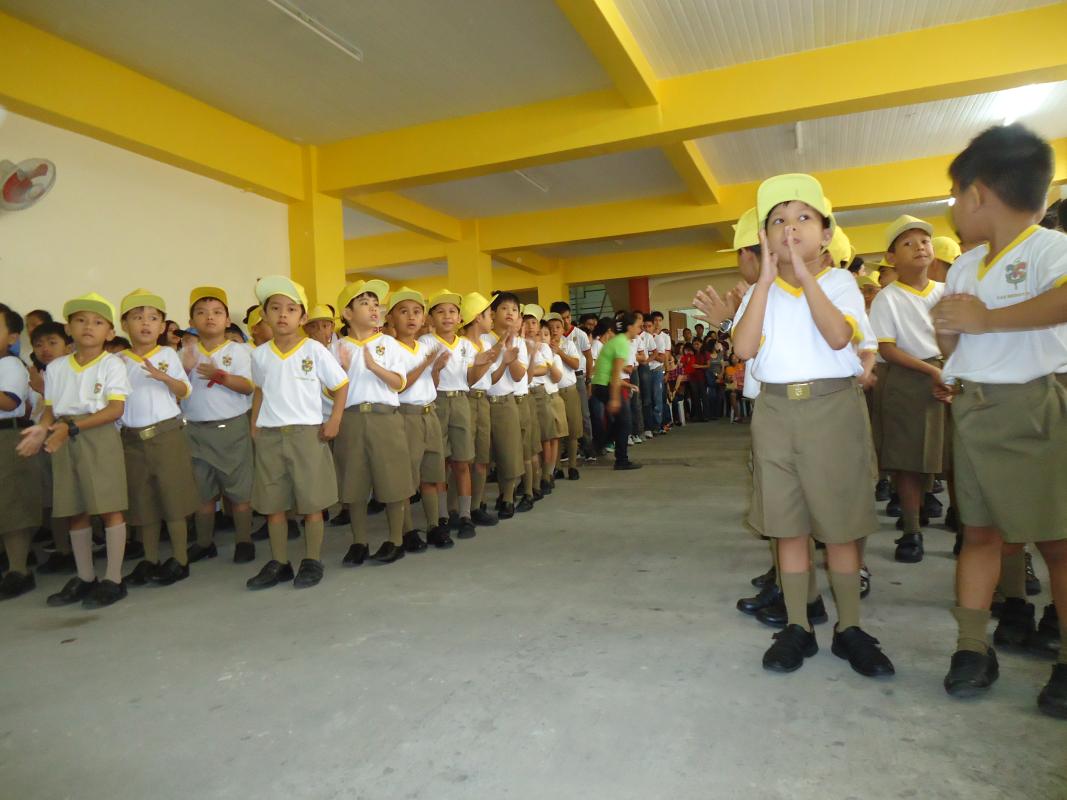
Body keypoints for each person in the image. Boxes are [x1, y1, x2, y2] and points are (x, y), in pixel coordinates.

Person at [931, 124, 1067, 718]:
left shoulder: (1049, 249)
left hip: (1032, 408)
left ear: (978, 193)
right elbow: (957, 344)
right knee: (981, 533)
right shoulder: (964, 268)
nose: (954, 208)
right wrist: (948, 334)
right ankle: (971, 646)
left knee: (1057, 540)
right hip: (974, 408)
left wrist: (987, 320)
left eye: (955, 196)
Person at [733, 173, 893, 677]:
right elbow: (743, 348)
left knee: (840, 528)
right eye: (778, 220)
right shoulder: (760, 292)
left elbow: (837, 336)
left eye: (804, 217)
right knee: (788, 527)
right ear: (764, 237)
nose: (790, 227)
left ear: (826, 233)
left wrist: (804, 276)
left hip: (831, 408)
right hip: (775, 412)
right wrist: (764, 282)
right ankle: (798, 625)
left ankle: (850, 628)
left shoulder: (839, 283)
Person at [18, 293, 133, 609]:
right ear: (69, 328)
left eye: (97, 322)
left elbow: (115, 410)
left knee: (109, 506)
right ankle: (85, 577)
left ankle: (114, 579)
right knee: (75, 508)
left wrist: (72, 428)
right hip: (63, 435)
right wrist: (42, 429)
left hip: (98, 436)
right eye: (80, 320)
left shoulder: (112, 364)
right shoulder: (56, 368)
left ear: (109, 332)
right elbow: (50, 411)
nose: (88, 327)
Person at [246, 276, 348, 590]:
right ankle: (279, 562)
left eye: (291, 309)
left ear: (302, 318)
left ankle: (312, 559)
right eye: (275, 308)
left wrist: (335, 420)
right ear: (265, 315)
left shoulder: (314, 350)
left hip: (307, 434)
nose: (283, 314)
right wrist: (254, 425)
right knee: (273, 503)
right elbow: (260, 390)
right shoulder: (260, 354)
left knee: (312, 502)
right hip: (270, 435)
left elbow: (341, 385)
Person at [870, 215, 945, 564]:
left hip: (948, 376)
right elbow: (887, 349)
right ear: (891, 257)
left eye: (924, 241)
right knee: (908, 459)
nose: (919, 247)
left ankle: (966, 525)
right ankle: (912, 530)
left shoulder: (944, 293)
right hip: (907, 378)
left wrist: (949, 372)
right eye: (908, 243)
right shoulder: (888, 298)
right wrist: (932, 371)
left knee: (953, 457)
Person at [116, 289, 199, 587]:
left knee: (173, 498)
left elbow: (185, 390)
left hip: (166, 435)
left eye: (153, 318)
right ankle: (149, 560)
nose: (145, 323)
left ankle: (180, 559)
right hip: (132, 439)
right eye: (137, 317)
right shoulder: (117, 361)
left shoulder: (166, 355)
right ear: (124, 324)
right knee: (143, 502)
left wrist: (165, 378)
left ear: (162, 326)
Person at [333, 279, 413, 565]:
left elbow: (399, 383)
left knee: (393, 480)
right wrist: (341, 369)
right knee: (353, 483)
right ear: (347, 313)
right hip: (351, 419)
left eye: (376, 304)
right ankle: (359, 542)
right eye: (364, 303)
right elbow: (328, 392)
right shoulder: (337, 347)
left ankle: (396, 539)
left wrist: (374, 367)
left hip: (384, 418)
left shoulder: (387, 343)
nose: (373, 309)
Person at [181, 287, 257, 564]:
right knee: (202, 492)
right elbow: (175, 392)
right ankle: (204, 543)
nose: (209, 317)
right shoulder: (185, 353)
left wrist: (219, 376)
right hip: (195, 430)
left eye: (216, 312)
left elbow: (248, 386)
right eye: (201, 313)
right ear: (192, 322)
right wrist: (186, 369)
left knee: (239, 491)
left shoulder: (239, 351)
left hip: (232, 429)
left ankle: (244, 540)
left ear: (227, 320)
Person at [389, 287, 452, 551]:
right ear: (391, 318)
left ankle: (434, 524)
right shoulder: (390, 348)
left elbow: (431, 384)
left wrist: (435, 369)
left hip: (429, 412)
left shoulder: (424, 347)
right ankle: (407, 531)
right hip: (407, 416)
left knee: (431, 473)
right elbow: (400, 386)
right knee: (407, 477)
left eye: (416, 311)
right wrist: (426, 364)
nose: (411, 317)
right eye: (403, 312)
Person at [421, 289, 479, 539]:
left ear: (459, 318)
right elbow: (426, 381)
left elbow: (471, 379)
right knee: (440, 462)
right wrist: (435, 368)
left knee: (462, 462)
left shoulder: (466, 345)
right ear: (431, 318)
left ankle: (465, 515)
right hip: (437, 402)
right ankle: (443, 515)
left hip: (461, 401)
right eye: (440, 311)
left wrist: (485, 362)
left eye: (452, 311)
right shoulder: (426, 343)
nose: (447, 316)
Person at [0, 305, 43, 600]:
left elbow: (8, 401)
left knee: (12, 502)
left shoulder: (11, 365)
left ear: (13, 337)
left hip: (7, 435)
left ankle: (19, 570)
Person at [483, 293, 527, 518]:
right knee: (483, 455)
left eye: (514, 309)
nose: (510, 313)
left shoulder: (519, 342)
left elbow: (519, 376)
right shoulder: (483, 339)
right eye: (504, 308)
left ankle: (507, 497)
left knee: (509, 452)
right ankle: (478, 501)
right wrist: (500, 346)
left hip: (506, 401)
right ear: (492, 313)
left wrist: (511, 356)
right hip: (483, 402)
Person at [460, 292, 500, 526]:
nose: (492, 318)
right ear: (477, 318)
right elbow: (469, 379)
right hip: (467, 400)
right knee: (464, 458)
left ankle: (477, 504)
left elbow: (490, 379)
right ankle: (460, 509)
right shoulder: (462, 345)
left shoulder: (486, 343)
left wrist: (502, 361)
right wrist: (484, 362)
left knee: (482, 457)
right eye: (488, 314)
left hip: (483, 400)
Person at [591, 312, 642, 471]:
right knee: (625, 421)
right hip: (605, 385)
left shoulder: (618, 341)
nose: (639, 330)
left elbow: (609, 370)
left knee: (620, 421)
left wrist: (627, 386)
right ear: (629, 327)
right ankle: (620, 459)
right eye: (638, 326)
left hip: (600, 385)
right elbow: (615, 373)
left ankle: (599, 444)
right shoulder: (621, 343)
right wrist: (614, 398)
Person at [547, 313, 583, 480]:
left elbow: (576, 365)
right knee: (556, 431)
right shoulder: (543, 346)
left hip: (569, 391)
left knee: (573, 430)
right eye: (551, 328)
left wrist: (560, 352)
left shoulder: (568, 344)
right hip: (553, 393)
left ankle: (573, 466)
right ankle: (557, 467)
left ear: (563, 329)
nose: (554, 331)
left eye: (558, 327)